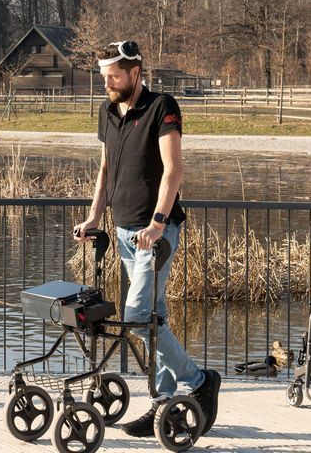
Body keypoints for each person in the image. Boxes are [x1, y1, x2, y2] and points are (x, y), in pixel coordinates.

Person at [73, 40, 221, 437]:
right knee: (154, 317)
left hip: (155, 233)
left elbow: (174, 171)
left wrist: (157, 223)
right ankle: (165, 404)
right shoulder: (107, 111)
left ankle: (199, 379)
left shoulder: (162, 107)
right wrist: (92, 217)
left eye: (114, 77)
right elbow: (105, 171)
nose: (107, 83)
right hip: (124, 232)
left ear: (135, 73)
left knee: (138, 316)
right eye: (104, 77)